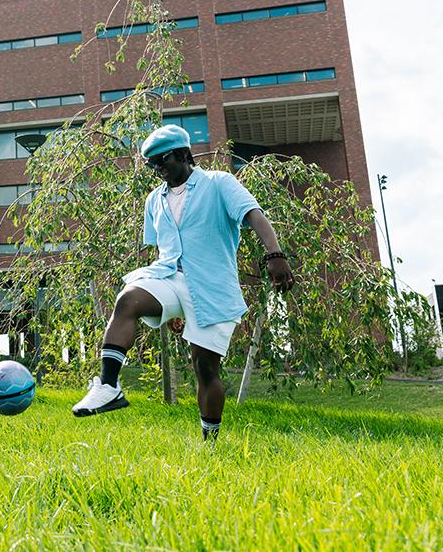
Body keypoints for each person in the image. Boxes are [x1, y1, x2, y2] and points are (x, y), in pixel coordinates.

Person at [72, 123, 294, 440]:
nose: (158, 168)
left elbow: (254, 214)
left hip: (212, 287)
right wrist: (172, 308)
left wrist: (275, 255)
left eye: (163, 160)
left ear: (184, 154)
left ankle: (210, 442)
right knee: (128, 300)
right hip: (169, 276)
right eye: (152, 164)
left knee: (205, 369)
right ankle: (109, 386)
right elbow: (166, 248)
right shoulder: (154, 201)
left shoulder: (219, 183)